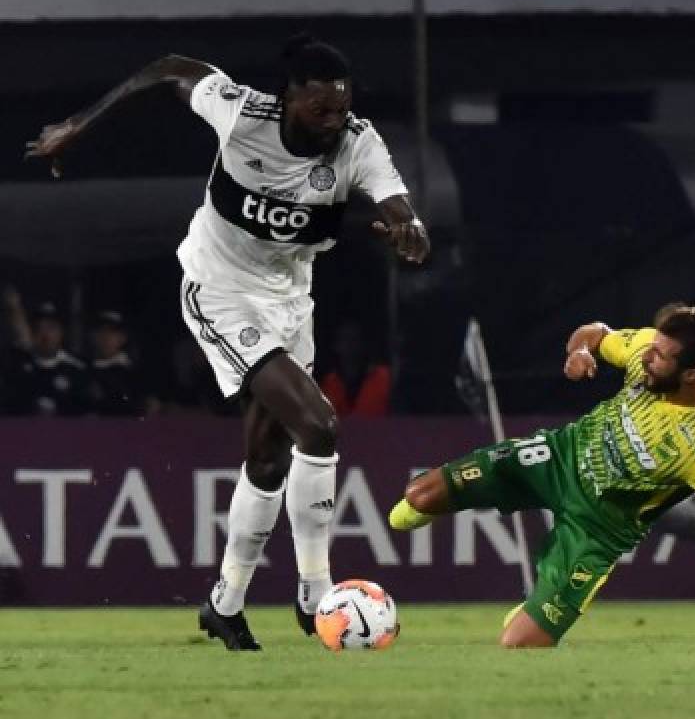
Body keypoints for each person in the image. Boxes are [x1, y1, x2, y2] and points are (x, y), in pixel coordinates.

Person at [25, 35, 431, 650]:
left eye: (341, 107)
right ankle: (315, 591)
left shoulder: (357, 142)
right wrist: (79, 125)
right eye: (320, 108)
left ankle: (225, 602)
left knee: (268, 461)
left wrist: (411, 228)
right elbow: (168, 69)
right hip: (219, 290)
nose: (333, 121)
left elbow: (397, 204)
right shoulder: (240, 111)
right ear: (289, 99)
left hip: (292, 302)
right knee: (319, 425)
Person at [388, 304, 695, 646]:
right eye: (652, 346)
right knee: (420, 496)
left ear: (692, 374)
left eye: (661, 356)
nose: (649, 355)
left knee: (519, 642)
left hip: (598, 527)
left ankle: (535, 607)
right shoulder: (649, 349)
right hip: (559, 457)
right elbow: (595, 332)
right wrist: (580, 351)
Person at [2, 296, 89, 416]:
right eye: (39, 328)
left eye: (51, 328)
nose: (45, 335)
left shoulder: (77, 368)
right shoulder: (16, 365)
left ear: (61, 332)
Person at [87, 309, 158, 416]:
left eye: (113, 331)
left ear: (123, 338)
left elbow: (148, 407)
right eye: (100, 330)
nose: (105, 336)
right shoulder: (81, 369)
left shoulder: (136, 371)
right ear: (92, 336)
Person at [319, 318, 391, 416]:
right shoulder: (329, 383)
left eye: (355, 338)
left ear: (363, 344)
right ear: (336, 346)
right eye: (345, 338)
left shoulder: (384, 377)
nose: (350, 344)